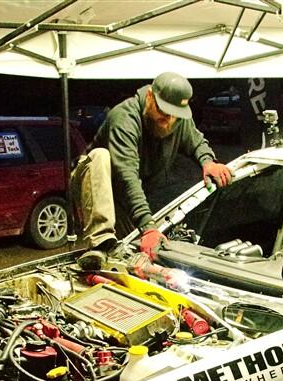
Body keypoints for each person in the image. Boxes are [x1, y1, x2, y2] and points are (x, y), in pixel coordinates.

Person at [71, 71, 232, 269]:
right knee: (100, 155)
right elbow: (126, 175)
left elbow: (196, 141)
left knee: (133, 253)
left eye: (175, 115)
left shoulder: (177, 118)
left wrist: (208, 161)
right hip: (93, 190)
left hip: (125, 201)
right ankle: (100, 242)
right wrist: (148, 227)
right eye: (163, 112)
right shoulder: (124, 118)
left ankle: (112, 247)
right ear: (149, 96)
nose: (169, 120)